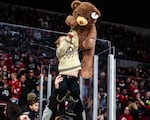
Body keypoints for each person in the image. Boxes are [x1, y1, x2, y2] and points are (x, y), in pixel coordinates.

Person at [42, 30, 84, 120]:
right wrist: (56, 90)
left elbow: (81, 111)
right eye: (64, 41)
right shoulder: (60, 51)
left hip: (72, 78)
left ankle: (70, 107)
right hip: (63, 78)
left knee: (75, 91)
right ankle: (62, 104)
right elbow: (49, 110)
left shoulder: (73, 51)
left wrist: (75, 90)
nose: (67, 41)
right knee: (62, 89)